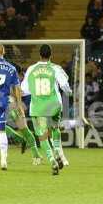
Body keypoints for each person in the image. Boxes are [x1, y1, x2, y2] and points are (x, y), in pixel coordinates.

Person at [0, 55, 42, 165]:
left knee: (20, 128)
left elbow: (15, 90)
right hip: (7, 104)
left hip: (12, 104)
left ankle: (34, 152)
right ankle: (23, 142)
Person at [21, 45, 72, 175]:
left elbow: (24, 90)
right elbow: (65, 85)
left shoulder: (31, 69)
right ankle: (56, 149)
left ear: (40, 55)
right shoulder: (55, 68)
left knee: (43, 137)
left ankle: (52, 160)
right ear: (51, 55)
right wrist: (69, 93)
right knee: (55, 128)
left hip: (38, 108)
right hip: (54, 105)